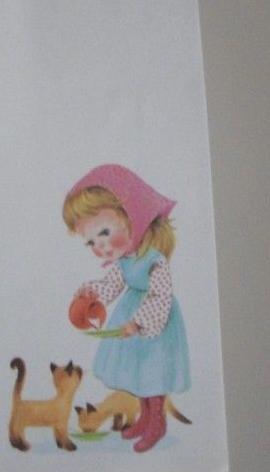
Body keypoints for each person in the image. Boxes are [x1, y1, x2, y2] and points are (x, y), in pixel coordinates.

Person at [63, 164, 191, 452]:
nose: (100, 246)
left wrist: (139, 322)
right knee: (139, 374)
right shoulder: (125, 260)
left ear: (130, 216)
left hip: (156, 324)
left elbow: (161, 296)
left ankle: (157, 422)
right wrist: (92, 294)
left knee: (153, 373)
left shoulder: (154, 259)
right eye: (91, 242)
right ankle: (145, 418)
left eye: (104, 232)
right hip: (130, 318)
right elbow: (113, 284)